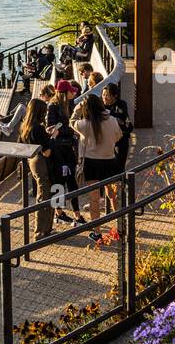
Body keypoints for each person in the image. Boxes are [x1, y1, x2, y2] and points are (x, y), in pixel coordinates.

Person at [72, 93, 124, 242]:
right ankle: (120, 227)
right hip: (109, 161)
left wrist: (78, 108)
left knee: (94, 198)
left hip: (91, 163)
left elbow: (71, 121)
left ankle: (97, 232)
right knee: (113, 195)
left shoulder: (85, 124)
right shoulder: (112, 120)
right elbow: (119, 136)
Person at [46, 80, 83, 224]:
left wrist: (71, 131)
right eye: (70, 91)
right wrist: (72, 131)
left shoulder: (71, 105)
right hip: (58, 149)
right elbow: (51, 128)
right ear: (64, 93)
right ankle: (59, 212)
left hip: (69, 147)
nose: (73, 93)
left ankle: (77, 214)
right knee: (58, 181)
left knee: (72, 180)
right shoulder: (53, 107)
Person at [19, 98, 55, 242]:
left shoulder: (25, 126)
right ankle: (40, 231)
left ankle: (44, 229)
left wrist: (46, 134)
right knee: (45, 195)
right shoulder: (38, 128)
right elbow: (47, 152)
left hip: (31, 161)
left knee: (44, 194)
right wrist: (52, 137)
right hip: (42, 162)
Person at [103, 81, 132, 169]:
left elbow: (122, 116)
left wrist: (108, 113)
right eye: (103, 95)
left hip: (122, 137)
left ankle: (122, 181)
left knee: (120, 165)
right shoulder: (101, 105)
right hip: (107, 139)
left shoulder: (121, 104)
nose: (104, 97)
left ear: (115, 96)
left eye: (107, 95)